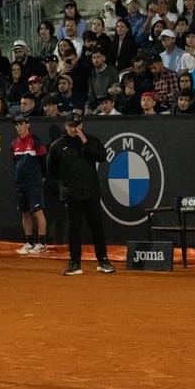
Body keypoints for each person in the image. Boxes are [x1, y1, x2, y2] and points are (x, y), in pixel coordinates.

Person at [47, 114, 114, 275]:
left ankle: (103, 260)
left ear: (81, 126)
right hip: (72, 195)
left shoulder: (91, 140)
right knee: (74, 229)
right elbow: (52, 171)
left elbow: (102, 156)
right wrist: (64, 187)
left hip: (91, 193)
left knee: (97, 227)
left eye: (77, 125)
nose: (74, 129)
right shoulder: (57, 146)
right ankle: (74, 263)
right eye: (71, 126)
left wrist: (85, 142)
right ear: (65, 126)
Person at [11, 115, 47, 254]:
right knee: (25, 213)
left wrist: (41, 178)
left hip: (34, 183)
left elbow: (43, 163)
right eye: (16, 124)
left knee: (38, 212)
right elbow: (16, 163)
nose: (18, 127)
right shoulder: (14, 144)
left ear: (27, 124)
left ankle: (41, 243)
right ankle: (29, 242)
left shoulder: (36, 142)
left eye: (21, 124)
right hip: (20, 184)